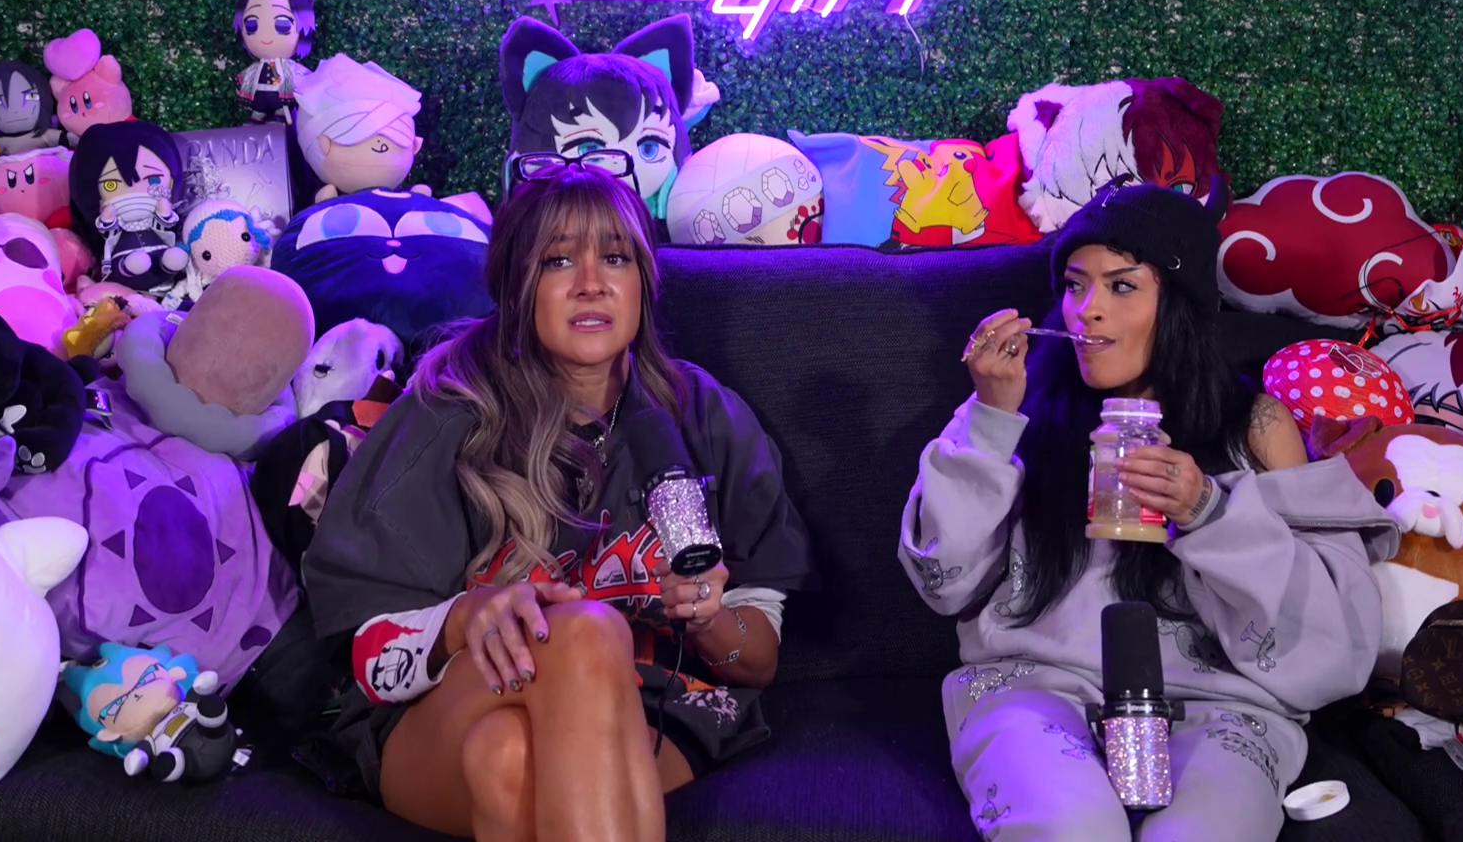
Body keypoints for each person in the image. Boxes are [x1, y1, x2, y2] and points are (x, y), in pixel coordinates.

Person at [301, 162, 816, 840]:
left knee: (507, 762)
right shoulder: (445, 412)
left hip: (651, 708)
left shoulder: (702, 416)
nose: (592, 283)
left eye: (616, 258)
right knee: (582, 634)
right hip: (446, 710)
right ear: (518, 287)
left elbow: (758, 663)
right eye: (559, 261)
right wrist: (462, 620)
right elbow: (367, 659)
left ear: (643, 280)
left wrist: (708, 617)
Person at [898, 181, 1399, 842]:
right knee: (1072, 830)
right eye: (1075, 286)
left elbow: (1329, 646)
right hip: (1036, 689)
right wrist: (990, 420)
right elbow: (943, 582)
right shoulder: (1021, 409)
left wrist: (1207, 511)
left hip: (1218, 707)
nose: (1088, 312)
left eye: (1122, 286)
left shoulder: (1253, 426)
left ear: (1181, 304)